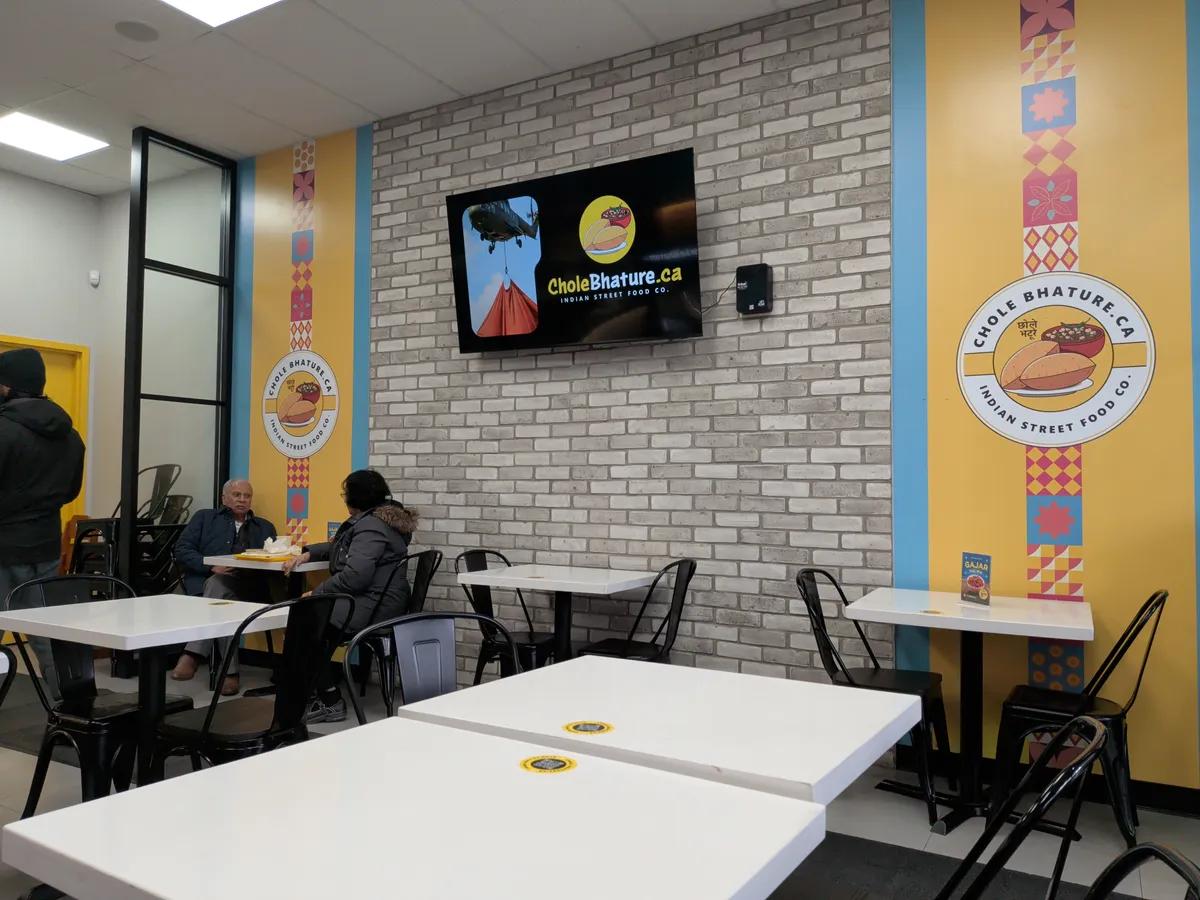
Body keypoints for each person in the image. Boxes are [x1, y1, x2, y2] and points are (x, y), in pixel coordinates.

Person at [283, 469, 417, 722]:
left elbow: (356, 576)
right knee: (309, 623)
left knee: (303, 624)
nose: (344, 499)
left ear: (355, 497)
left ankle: (330, 700)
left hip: (373, 604)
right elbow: (342, 546)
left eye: (346, 494)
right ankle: (314, 689)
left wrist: (317, 591)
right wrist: (309, 553)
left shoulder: (371, 526)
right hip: (379, 599)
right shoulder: (380, 521)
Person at [0, 348, 85, 701]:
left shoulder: (3, 430)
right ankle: (70, 709)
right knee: (44, 631)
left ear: (7, 386)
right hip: (46, 543)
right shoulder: (71, 436)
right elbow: (70, 491)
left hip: (3, 544)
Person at [170, 479, 276, 695]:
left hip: (247, 588)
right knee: (221, 593)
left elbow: (272, 559)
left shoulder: (264, 527)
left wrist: (252, 568)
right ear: (224, 498)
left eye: (247, 496)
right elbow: (181, 549)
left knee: (220, 592)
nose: (242, 500)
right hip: (205, 584)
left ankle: (192, 653)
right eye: (237, 495)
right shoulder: (205, 518)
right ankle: (230, 671)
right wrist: (210, 566)